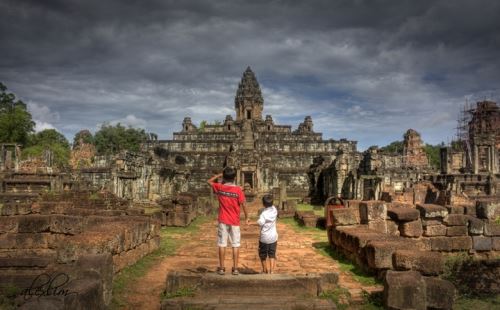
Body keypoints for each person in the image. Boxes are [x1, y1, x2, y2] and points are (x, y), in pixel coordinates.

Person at [207, 167, 248, 275]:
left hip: (223, 220)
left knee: (222, 244)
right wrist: (247, 217)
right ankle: (235, 268)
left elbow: (209, 182)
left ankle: (221, 268)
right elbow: (244, 204)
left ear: (224, 177)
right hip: (234, 221)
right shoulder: (238, 190)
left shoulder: (219, 187)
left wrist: (219, 175)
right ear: (235, 177)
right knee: (235, 244)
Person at [257, 194, 278, 274]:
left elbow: (260, 223)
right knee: (272, 254)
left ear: (263, 204)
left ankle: (265, 270)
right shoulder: (275, 210)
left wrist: (251, 223)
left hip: (264, 238)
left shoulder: (263, 214)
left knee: (263, 254)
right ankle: (272, 270)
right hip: (273, 237)